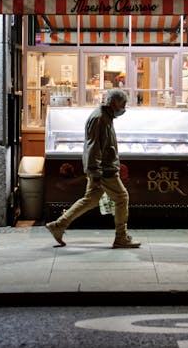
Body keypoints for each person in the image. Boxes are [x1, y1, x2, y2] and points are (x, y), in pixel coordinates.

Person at [45, 89, 141, 248]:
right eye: (122, 105)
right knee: (122, 197)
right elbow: (93, 147)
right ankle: (121, 237)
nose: (124, 109)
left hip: (102, 168)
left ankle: (58, 225)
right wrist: (95, 171)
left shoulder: (105, 117)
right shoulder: (99, 119)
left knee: (90, 199)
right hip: (104, 170)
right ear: (113, 103)